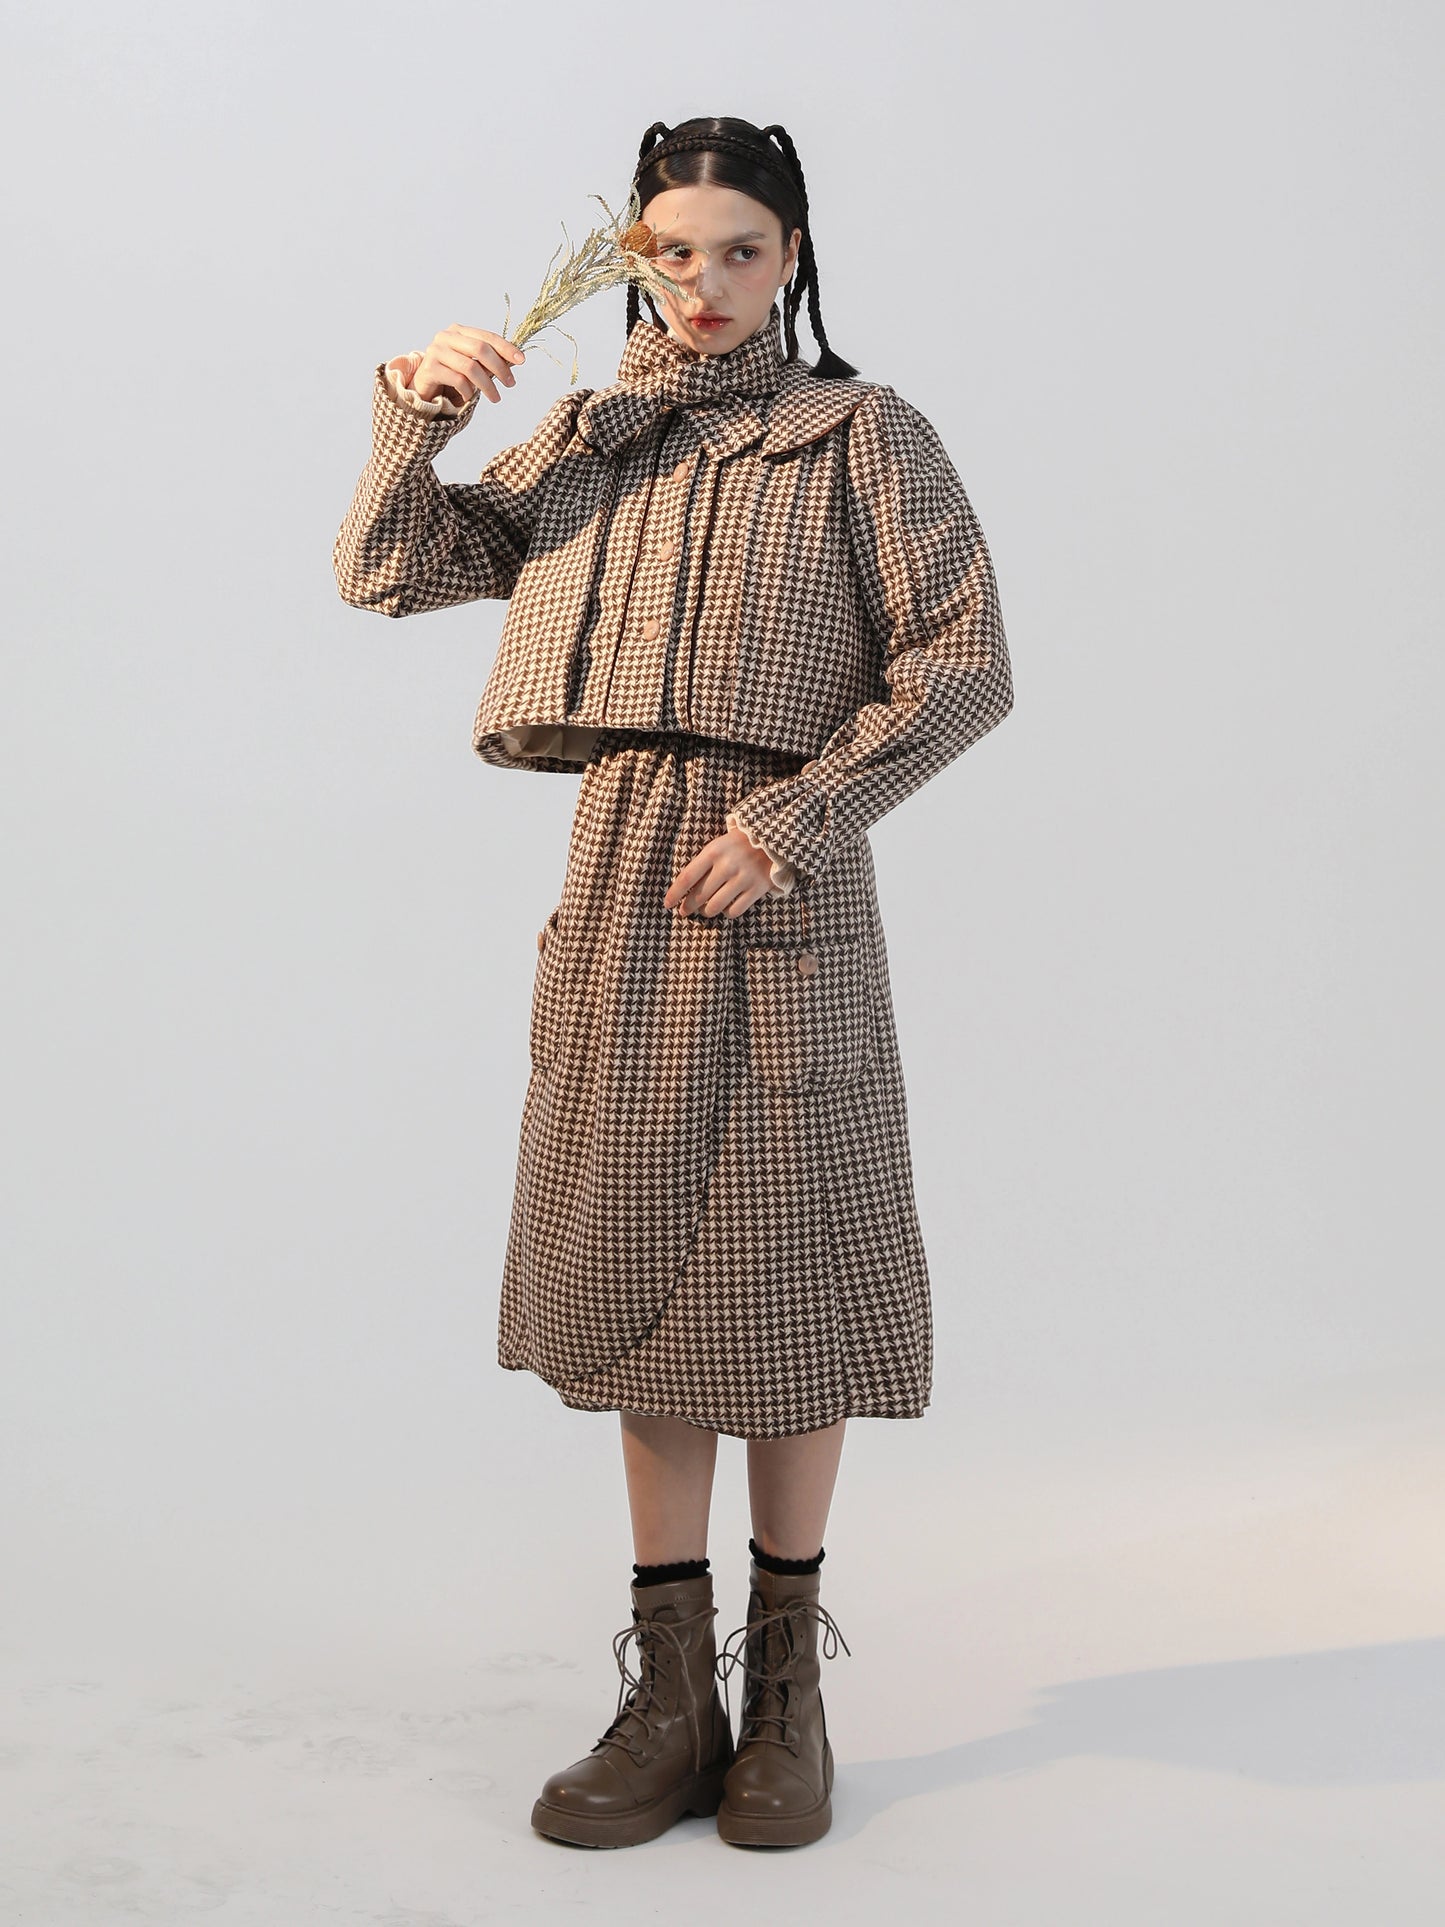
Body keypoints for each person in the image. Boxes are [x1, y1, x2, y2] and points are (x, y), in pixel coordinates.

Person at [333, 114, 1014, 1851]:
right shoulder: (590, 439)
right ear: (628, 261)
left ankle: (784, 1691)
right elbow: (389, 570)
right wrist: (416, 418)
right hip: (623, 882)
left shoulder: (861, 436)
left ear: (790, 260)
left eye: (738, 250)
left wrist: (793, 820)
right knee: (638, 1264)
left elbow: (963, 663)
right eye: (668, 252)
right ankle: (667, 1693)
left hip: (781, 891)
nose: (702, 283)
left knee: (784, 1274)